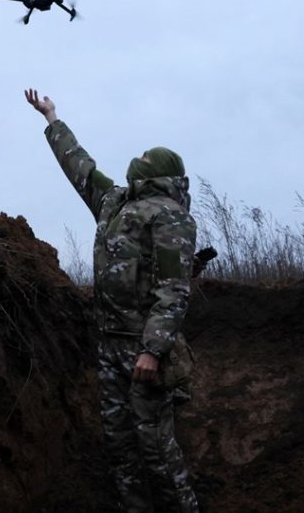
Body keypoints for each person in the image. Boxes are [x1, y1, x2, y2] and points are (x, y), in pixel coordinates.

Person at [25, 88, 200, 513]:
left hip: (143, 351)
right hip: (110, 347)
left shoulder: (169, 214)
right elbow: (81, 168)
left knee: (156, 448)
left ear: (159, 172)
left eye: (145, 156)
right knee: (121, 447)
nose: (137, 157)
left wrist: (153, 350)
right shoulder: (115, 203)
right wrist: (52, 119)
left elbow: (174, 289)